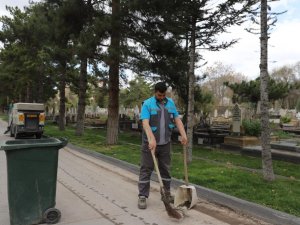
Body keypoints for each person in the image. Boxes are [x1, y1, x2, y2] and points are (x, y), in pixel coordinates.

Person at [138, 82, 188, 209]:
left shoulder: (170, 103)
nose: (162, 97)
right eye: (160, 95)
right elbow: (145, 123)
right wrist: (151, 139)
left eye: (164, 95)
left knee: (166, 170)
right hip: (150, 144)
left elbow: (177, 120)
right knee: (146, 169)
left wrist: (183, 134)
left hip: (165, 143)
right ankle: (142, 196)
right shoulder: (147, 104)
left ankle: (166, 194)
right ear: (155, 92)